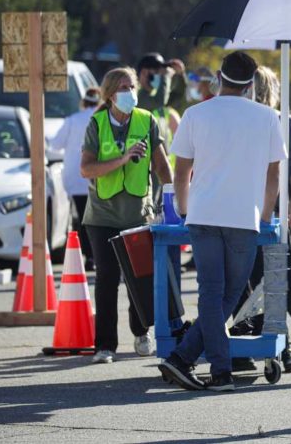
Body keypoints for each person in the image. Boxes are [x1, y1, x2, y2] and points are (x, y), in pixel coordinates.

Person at [158, 51, 285, 392]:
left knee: (212, 293)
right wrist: (267, 214)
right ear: (252, 81)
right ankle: (207, 367)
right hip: (244, 216)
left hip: (202, 213)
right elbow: (274, 175)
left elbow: (181, 169)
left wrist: (184, 209)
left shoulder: (195, 113)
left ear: (219, 76)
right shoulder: (267, 117)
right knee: (227, 296)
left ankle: (197, 363)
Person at [228, 66, 291, 373]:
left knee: (277, 270)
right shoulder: (242, 120)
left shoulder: (286, 122)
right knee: (247, 273)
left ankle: (282, 343)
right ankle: (247, 335)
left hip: (274, 207)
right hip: (243, 205)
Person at [79, 67, 173, 364]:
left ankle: (141, 331)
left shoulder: (146, 120)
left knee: (140, 279)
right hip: (102, 216)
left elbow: (161, 165)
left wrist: (172, 200)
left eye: (131, 85)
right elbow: (86, 169)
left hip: (137, 215)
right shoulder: (96, 123)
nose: (129, 92)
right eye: (122, 87)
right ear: (109, 94)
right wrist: (121, 159)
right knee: (107, 279)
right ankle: (105, 345)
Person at [49, 87, 100, 271]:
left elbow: (55, 145)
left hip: (77, 179)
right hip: (102, 177)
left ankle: (89, 255)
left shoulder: (72, 121)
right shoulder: (103, 118)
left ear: (83, 102)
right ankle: (96, 255)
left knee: (82, 218)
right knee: (97, 218)